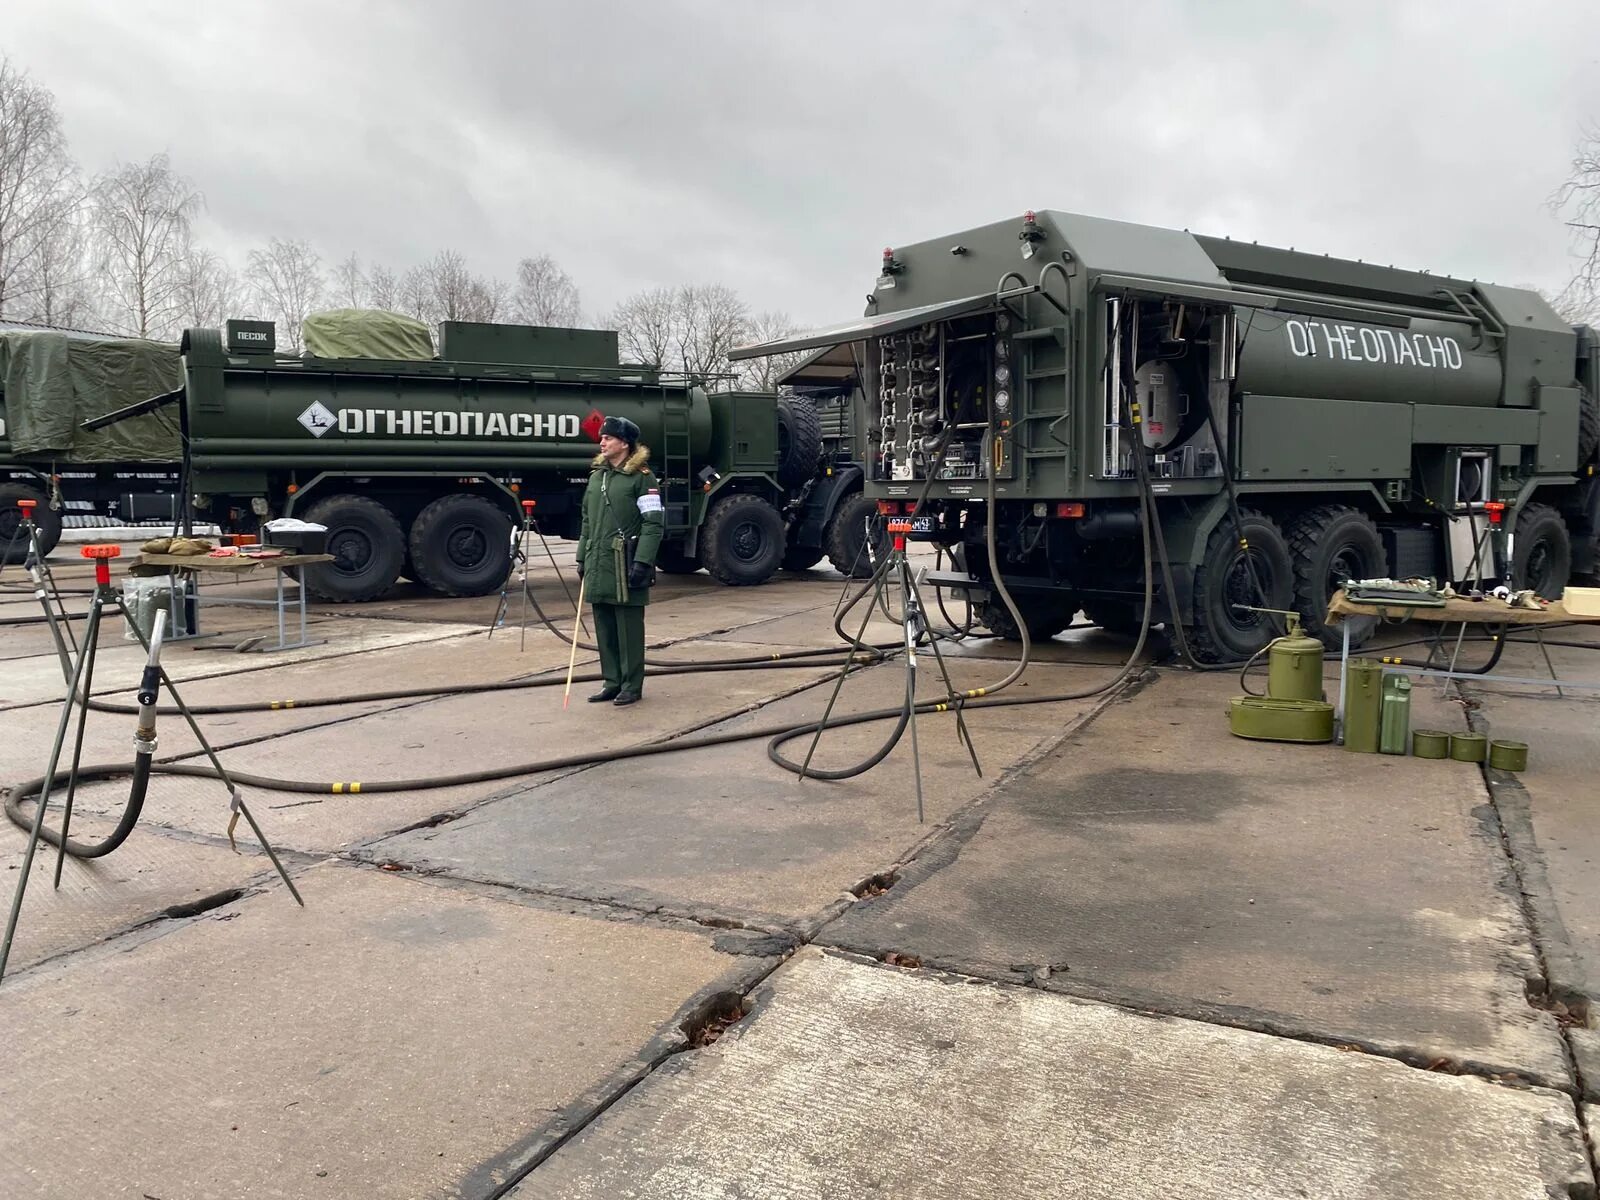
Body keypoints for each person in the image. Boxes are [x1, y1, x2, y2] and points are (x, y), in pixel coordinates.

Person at [575, 415, 663, 706]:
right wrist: (581, 557)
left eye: (608, 438)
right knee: (604, 623)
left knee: (628, 627)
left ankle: (631, 684)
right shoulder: (597, 477)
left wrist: (643, 562)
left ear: (624, 443)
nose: (602, 443)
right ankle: (611, 681)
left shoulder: (642, 477)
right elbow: (587, 520)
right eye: (602, 438)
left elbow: (653, 523)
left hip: (624, 560)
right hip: (598, 559)